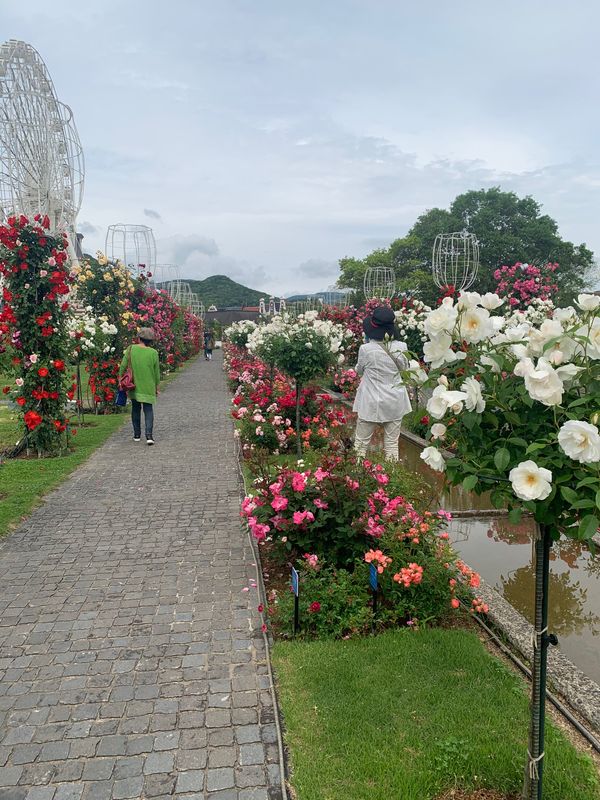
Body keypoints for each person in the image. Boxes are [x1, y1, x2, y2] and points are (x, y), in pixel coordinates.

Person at [353, 306, 412, 461]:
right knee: (392, 444)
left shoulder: (366, 349)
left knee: (361, 443)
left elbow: (359, 370)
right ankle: (392, 479)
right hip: (395, 400)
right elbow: (405, 369)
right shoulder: (402, 347)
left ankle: (355, 477)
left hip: (371, 400)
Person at [120, 327, 160, 445]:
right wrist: (156, 387)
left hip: (134, 385)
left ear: (139, 338)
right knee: (148, 410)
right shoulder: (153, 353)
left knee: (135, 409)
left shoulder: (131, 349)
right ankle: (149, 436)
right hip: (148, 385)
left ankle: (137, 434)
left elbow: (123, 365)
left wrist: (120, 378)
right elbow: (156, 372)